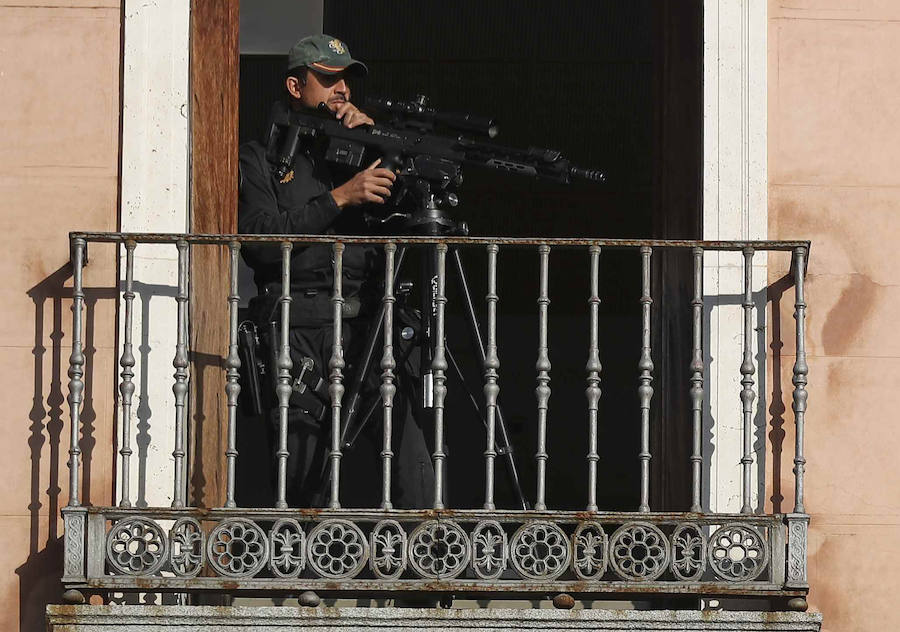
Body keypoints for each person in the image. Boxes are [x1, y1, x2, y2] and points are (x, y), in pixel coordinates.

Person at [238, 34, 435, 509]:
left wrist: (382, 146)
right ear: (294, 85)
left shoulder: (369, 149)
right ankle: (306, 582)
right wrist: (340, 197)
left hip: (370, 326)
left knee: (412, 470)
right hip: (299, 330)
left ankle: (427, 575)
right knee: (304, 473)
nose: (341, 88)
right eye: (327, 79)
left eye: (345, 78)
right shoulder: (262, 156)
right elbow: (259, 241)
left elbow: (418, 216)